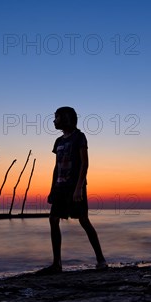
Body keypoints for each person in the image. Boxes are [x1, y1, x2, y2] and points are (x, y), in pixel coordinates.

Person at [38, 106, 107, 274]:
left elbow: (85, 163)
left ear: (67, 118)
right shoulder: (59, 141)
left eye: (57, 117)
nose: (54, 121)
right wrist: (52, 189)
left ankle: (101, 260)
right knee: (53, 219)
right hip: (60, 187)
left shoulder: (79, 137)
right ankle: (57, 264)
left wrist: (79, 188)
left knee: (83, 220)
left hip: (74, 187)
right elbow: (56, 166)